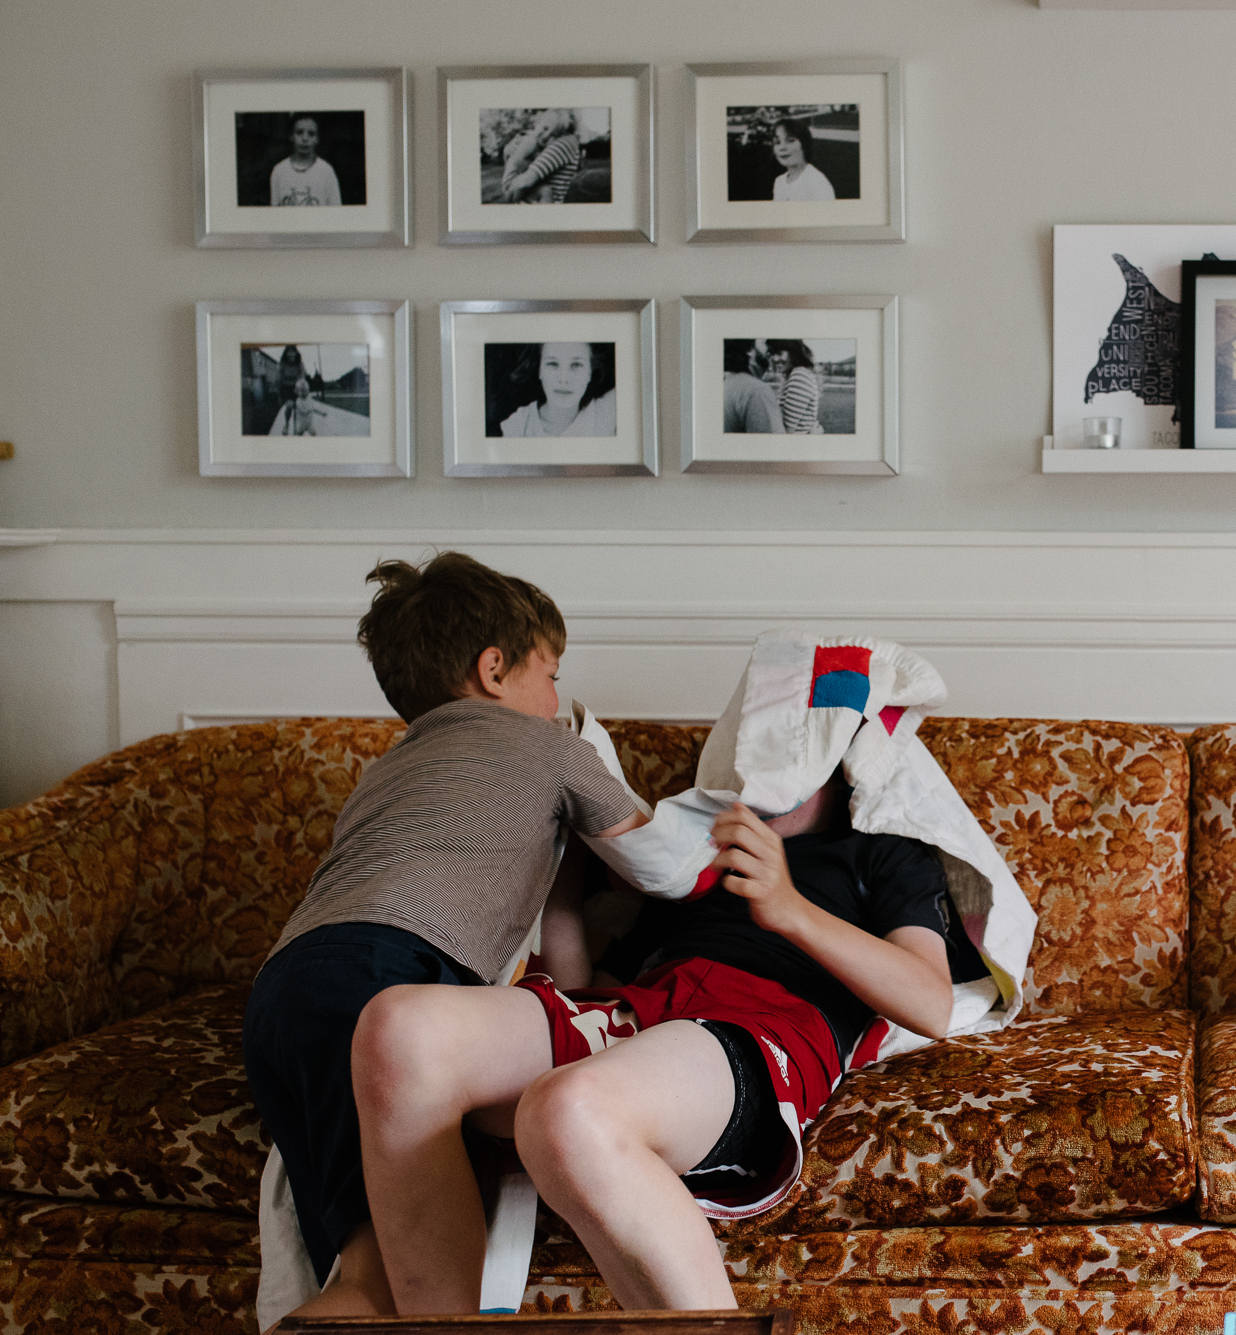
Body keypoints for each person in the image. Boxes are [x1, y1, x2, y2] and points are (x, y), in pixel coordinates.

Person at [348, 774, 969, 1313]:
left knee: (567, 1112)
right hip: (643, 1003)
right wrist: (567, 869)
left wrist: (789, 908)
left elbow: (930, 1002)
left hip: (762, 1023)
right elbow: (576, 990)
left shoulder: (885, 852)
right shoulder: (693, 849)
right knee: (398, 1028)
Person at [241, 552, 648, 1325]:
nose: (558, 696)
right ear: (495, 669)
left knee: (363, 1266)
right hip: (389, 974)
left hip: (284, 990)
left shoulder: (386, 769)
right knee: (415, 1299)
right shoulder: (553, 745)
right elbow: (651, 857)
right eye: (551, 673)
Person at [498, 342, 617, 437]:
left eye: (576, 365)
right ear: (540, 371)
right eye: (553, 364)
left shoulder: (604, 415)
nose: (564, 379)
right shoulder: (520, 424)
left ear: (590, 373)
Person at [499, 109, 583, 204]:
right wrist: (513, 152)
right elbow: (510, 156)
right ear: (538, 123)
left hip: (521, 189)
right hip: (515, 185)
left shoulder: (564, 143)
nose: (546, 136)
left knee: (546, 191)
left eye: (553, 135)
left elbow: (523, 181)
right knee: (545, 191)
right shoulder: (528, 139)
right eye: (545, 128)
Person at [270, 114, 342, 206]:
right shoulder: (279, 171)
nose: (305, 138)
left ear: (317, 139)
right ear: (291, 136)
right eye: (299, 132)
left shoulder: (326, 171)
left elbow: (336, 211)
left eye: (311, 134)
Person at [721, 339, 783, 433]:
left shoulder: (727, 381)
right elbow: (773, 444)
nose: (773, 356)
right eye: (764, 341)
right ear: (749, 349)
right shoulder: (756, 391)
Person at [769, 117, 835, 202]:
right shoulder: (779, 182)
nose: (782, 147)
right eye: (777, 142)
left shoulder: (817, 183)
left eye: (790, 141)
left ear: (804, 145)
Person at [767, 339, 824, 435]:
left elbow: (785, 431)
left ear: (793, 353)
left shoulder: (800, 375)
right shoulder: (790, 376)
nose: (775, 359)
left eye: (780, 353)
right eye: (772, 354)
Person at [267, 346, 325, 436]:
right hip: (286, 389)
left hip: (297, 387)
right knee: (289, 406)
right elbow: (278, 379)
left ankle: (301, 426)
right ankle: (286, 424)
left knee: (301, 406)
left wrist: (299, 386)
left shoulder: (299, 363)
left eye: (293, 356)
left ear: (296, 355)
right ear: (286, 355)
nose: (292, 358)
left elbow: (302, 375)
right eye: (289, 356)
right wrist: (278, 394)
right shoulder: (282, 364)